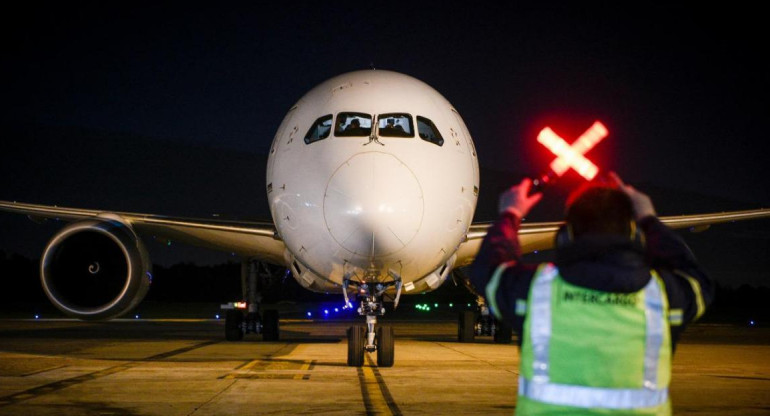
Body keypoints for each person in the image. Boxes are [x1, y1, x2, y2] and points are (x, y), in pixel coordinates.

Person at [469, 173, 713, 415]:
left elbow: (487, 269)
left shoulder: (536, 290)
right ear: (634, 233)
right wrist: (649, 219)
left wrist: (510, 215)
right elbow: (696, 278)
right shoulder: (661, 296)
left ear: (566, 234)